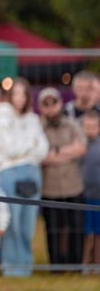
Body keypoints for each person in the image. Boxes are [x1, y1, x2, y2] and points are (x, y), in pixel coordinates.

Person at [0, 77, 48, 277]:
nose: (19, 98)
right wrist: (29, 146)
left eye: (23, 94)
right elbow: (9, 148)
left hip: (32, 172)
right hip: (9, 171)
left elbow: (43, 149)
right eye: (15, 93)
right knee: (11, 222)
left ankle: (25, 266)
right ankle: (10, 267)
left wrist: (27, 149)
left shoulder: (33, 119)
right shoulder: (3, 116)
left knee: (28, 223)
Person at [39, 86, 87, 269]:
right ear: (41, 107)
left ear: (60, 104)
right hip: (49, 188)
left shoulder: (72, 124)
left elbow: (81, 148)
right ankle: (56, 266)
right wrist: (68, 152)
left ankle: (75, 264)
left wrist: (56, 153)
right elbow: (41, 155)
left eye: (54, 103)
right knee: (53, 230)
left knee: (75, 228)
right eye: (46, 104)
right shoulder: (39, 127)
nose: (51, 108)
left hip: (73, 186)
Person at [81, 110, 100, 273]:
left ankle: (97, 264)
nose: (90, 129)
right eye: (87, 126)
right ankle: (84, 264)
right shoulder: (79, 145)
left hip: (98, 197)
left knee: (99, 233)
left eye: (93, 126)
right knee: (86, 233)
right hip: (83, 197)